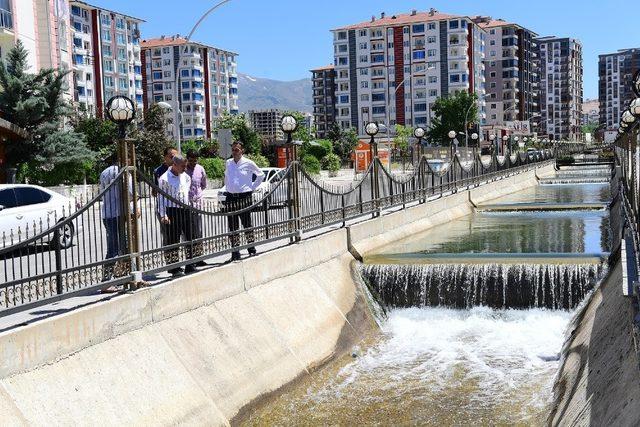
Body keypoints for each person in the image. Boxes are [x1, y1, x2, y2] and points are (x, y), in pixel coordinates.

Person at [99, 154, 137, 292]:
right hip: (120, 214)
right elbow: (130, 195)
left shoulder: (105, 172)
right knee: (118, 248)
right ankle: (106, 281)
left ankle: (130, 276)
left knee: (120, 247)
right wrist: (133, 209)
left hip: (107, 214)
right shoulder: (125, 172)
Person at [223, 141, 265, 261]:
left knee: (246, 223)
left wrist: (252, 187)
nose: (234, 152)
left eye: (237, 150)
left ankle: (251, 249)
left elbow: (260, 175)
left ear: (242, 151)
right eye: (233, 150)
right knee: (232, 226)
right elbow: (226, 176)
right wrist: (227, 187)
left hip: (244, 196)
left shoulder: (248, 163)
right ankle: (235, 252)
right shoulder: (228, 163)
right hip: (231, 196)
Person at [157, 155, 194, 277]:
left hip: (185, 209)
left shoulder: (186, 176)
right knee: (173, 240)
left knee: (190, 237)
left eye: (185, 165)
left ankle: (190, 263)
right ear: (175, 165)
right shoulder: (164, 178)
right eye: (182, 166)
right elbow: (161, 197)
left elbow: (186, 192)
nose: (185, 168)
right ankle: (174, 267)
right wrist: (163, 214)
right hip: (172, 210)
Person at [186, 150, 208, 267]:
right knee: (189, 234)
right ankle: (190, 259)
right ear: (187, 158)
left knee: (198, 232)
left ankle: (199, 257)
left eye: (195, 160)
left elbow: (203, 185)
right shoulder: (183, 170)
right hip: (185, 205)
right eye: (191, 160)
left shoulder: (200, 169)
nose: (193, 163)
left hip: (197, 205)